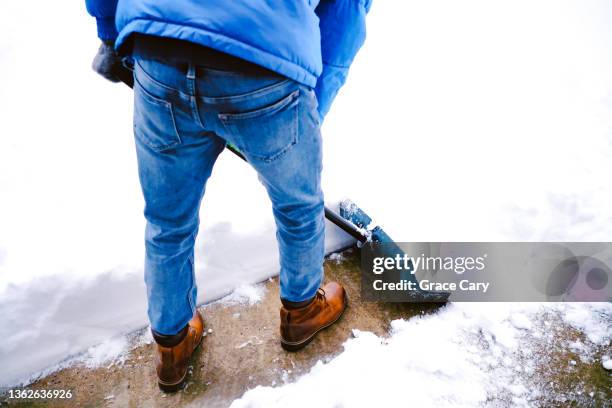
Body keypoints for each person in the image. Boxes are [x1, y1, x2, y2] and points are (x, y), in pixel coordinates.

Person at [85, 0, 371, 392]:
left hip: (159, 51)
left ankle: (172, 345)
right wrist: (304, 110)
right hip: (264, 70)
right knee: (298, 209)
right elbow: (346, 12)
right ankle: (302, 310)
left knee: (168, 221)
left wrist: (110, 34)